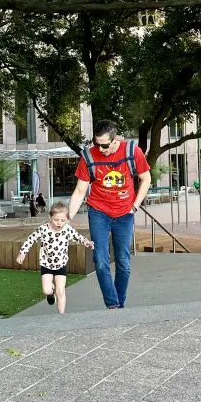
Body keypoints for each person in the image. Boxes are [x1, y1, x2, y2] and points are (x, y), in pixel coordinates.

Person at [67, 119, 151, 309]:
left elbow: (146, 179)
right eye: (97, 144)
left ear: (115, 140)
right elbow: (80, 190)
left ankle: (119, 302)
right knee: (101, 260)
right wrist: (68, 217)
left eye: (104, 145)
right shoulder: (89, 156)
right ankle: (112, 305)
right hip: (99, 212)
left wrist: (135, 205)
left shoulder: (132, 151)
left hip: (124, 213)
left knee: (123, 261)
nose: (101, 149)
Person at [16, 201, 94, 314]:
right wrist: (22, 252)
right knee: (46, 290)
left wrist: (87, 242)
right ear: (50, 217)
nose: (59, 223)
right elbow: (31, 239)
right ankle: (51, 292)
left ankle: (61, 316)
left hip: (61, 264)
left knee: (61, 291)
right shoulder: (43, 229)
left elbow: (78, 237)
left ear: (67, 219)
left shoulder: (67, 229)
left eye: (63, 220)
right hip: (46, 264)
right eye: (56, 220)